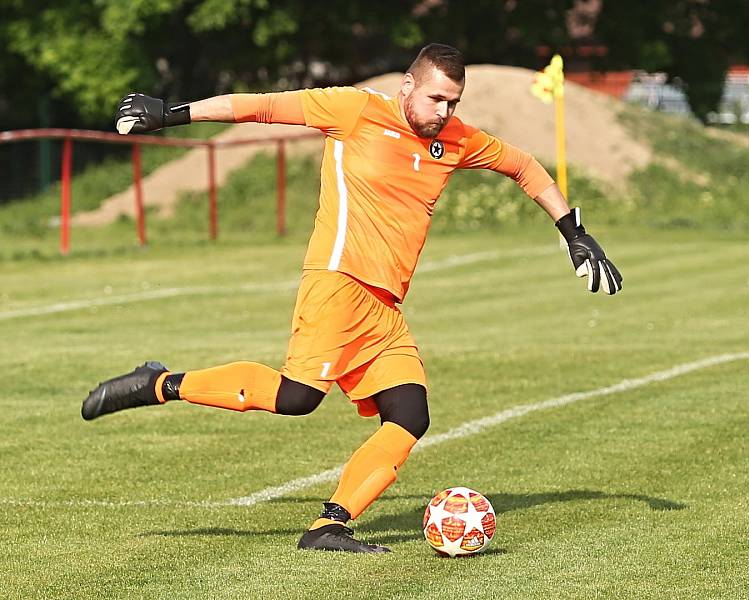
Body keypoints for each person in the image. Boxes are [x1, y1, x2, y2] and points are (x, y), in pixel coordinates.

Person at [82, 43, 622, 554]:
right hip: (338, 281)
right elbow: (262, 108)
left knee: (410, 414)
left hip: (384, 306)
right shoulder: (355, 111)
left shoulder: (455, 139)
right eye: (435, 97)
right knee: (298, 397)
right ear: (408, 86)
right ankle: (158, 382)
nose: (443, 111)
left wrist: (574, 233)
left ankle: (328, 525)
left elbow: (523, 166)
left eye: (453, 102)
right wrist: (172, 113)